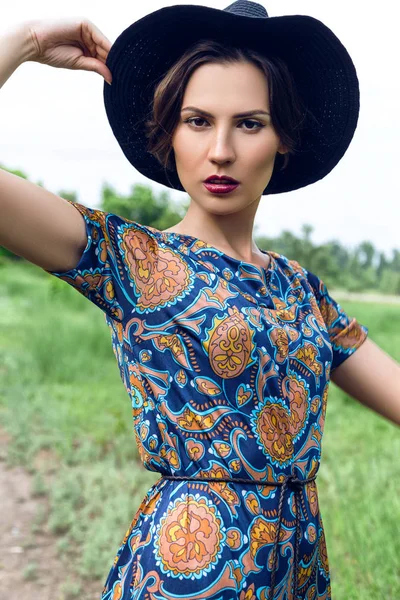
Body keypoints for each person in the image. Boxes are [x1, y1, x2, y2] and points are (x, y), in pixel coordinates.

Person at [1, 2, 399, 599]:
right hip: (188, 571)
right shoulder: (132, 260)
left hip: (298, 571)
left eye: (249, 123)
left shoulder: (301, 290)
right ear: (170, 133)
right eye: (196, 121)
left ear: (282, 137)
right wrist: (23, 41)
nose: (220, 151)